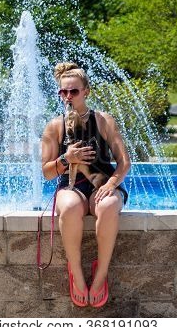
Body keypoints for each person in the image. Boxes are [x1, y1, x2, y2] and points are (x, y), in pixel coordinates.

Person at [41, 62, 131, 308]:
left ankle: (101, 274)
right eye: (63, 92)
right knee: (68, 207)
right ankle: (77, 273)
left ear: (86, 91)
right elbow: (47, 173)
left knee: (109, 205)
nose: (68, 97)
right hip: (73, 187)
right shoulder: (54, 126)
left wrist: (112, 183)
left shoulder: (103, 120)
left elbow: (124, 162)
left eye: (74, 91)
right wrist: (65, 159)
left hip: (103, 182)